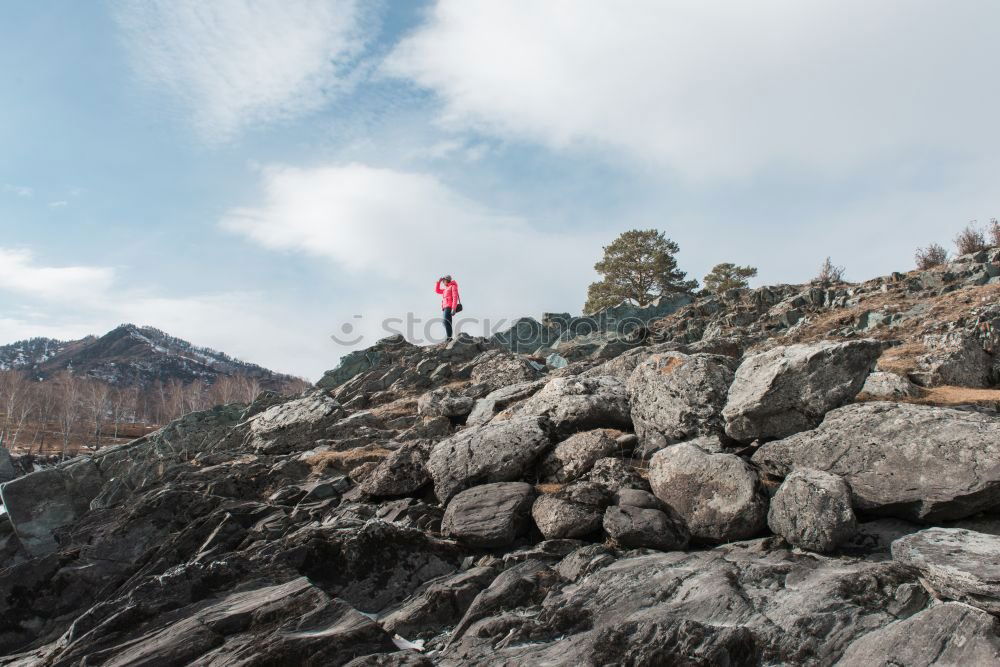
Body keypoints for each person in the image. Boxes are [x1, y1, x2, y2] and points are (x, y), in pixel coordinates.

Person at [435, 275, 460, 340]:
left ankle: (449, 338)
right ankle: (449, 337)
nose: (443, 282)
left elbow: (455, 297)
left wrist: (454, 308)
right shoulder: (445, 289)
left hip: (449, 307)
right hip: (445, 307)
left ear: (447, 280)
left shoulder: (453, 286)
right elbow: (437, 290)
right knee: (445, 322)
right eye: (442, 281)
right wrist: (439, 282)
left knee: (446, 322)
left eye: (443, 281)